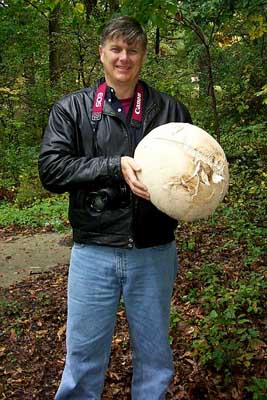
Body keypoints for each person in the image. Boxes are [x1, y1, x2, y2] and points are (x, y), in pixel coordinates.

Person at [38, 16, 192, 400]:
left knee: (155, 359)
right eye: (116, 49)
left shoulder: (170, 111)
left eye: (133, 50)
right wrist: (113, 165)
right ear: (102, 54)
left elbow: (192, 172)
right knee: (83, 359)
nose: (124, 57)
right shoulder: (71, 109)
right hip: (93, 251)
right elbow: (51, 169)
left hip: (154, 251)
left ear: (142, 56)